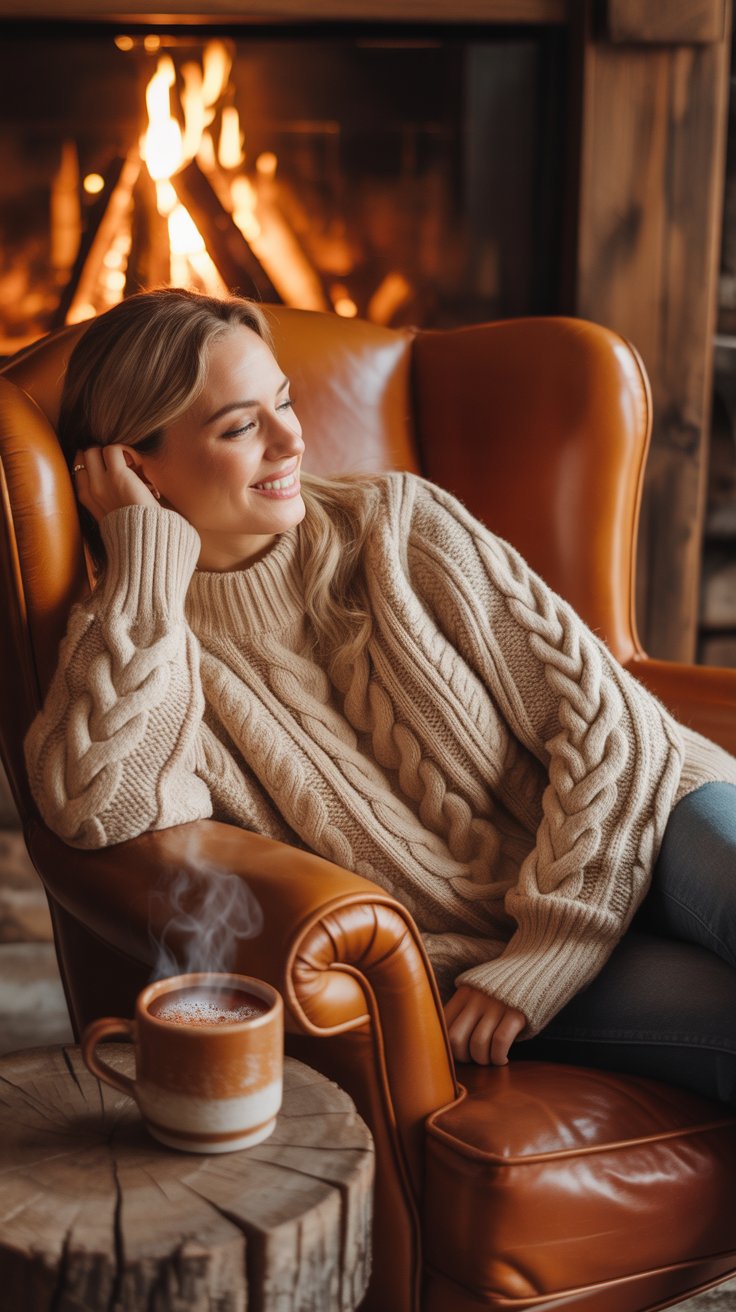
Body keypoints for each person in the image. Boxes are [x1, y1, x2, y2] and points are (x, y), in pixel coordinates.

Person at [24, 288, 736, 1106]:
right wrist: (144, 562)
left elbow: (610, 722)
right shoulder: (142, 642)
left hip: (650, 811)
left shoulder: (396, 522)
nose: (294, 439)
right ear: (135, 468)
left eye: (284, 403)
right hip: (479, 950)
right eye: (241, 426)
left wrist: (558, 940)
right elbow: (96, 811)